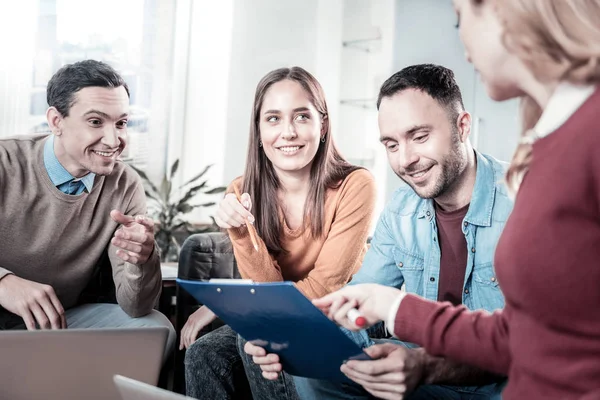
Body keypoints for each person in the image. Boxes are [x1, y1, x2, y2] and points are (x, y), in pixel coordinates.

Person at [312, 1, 600, 399]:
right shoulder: (547, 144)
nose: (462, 44)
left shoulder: (576, 143)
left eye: (461, 17)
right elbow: (520, 333)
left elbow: (537, 344)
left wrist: (408, 332)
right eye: (391, 144)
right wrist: (298, 336)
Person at [246, 63, 513, 399]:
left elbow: (539, 342)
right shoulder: (402, 210)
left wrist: (428, 365)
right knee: (316, 374)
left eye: (419, 137)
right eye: (391, 145)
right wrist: (290, 338)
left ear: (462, 126)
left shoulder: (525, 202)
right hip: (429, 380)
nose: (406, 160)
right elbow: (355, 303)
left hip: (508, 387)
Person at [181, 66, 376, 399]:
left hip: (338, 316)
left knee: (257, 336)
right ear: (258, 130)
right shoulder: (242, 190)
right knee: (205, 354)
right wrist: (243, 236)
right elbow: (266, 289)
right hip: (281, 313)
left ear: (323, 125)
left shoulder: (356, 185)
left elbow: (322, 288)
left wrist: (230, 304)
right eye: (273, 119)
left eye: (301, 117)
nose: (288, 132)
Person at [0, 60, 175, 354]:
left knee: (154, 328)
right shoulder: (6, 162)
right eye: (96, 122)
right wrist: (3, 283)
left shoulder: (125, 184)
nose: (114, 139)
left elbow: (137, 306)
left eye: (121, 123)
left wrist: (142, 259)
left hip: (57, 324)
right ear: (56, 121)